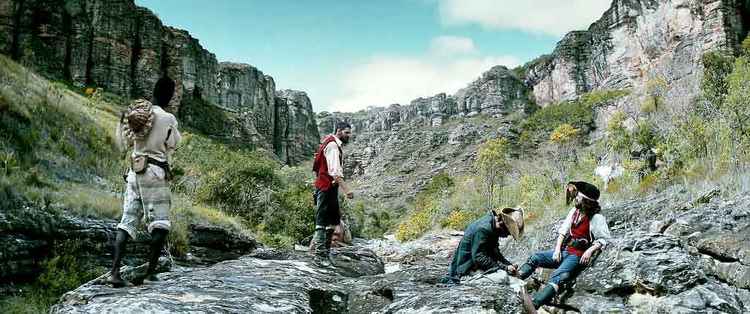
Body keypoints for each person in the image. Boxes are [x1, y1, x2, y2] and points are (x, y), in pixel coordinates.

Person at [108, 76, 181, 287]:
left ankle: (114, 272)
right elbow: (174, 143)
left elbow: (126, 141)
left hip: (134, 171)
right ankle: (150, 273)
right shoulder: (168, 119)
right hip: (155, 174)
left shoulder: (139, 115)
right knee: (161, 224)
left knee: (127, 221)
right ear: (170, 96)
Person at [515, 181, 612, 310]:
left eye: (578, 197)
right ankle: (516, 280)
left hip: (576, 256)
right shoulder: (574, 212)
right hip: (566, 251)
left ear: (586, 201)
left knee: (558, 276)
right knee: (536, 258)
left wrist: (590, 250)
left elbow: (604, 239)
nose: (575, 199)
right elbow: (562, 231)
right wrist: (557, 250)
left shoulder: (596, 218)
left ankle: (533, 304)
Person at [441, 208, 525, 284]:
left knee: (507, 275)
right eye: (508, 232)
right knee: (503, 277)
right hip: (465, 271)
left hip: (475, 267)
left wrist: (509, 265)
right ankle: (465, 281)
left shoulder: (492, 226)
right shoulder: (483, 229)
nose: (507, 236)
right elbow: (479, 257)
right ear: (502, 225)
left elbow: (495, 253)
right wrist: (505, 268)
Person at [311, 122, 354, 266]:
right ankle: (319, 256)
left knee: (333, 221)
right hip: (325, 187)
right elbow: (335, 172)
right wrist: (347, 190)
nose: (349, 136)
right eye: (346, 133)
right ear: (339, 131)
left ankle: (325, 254)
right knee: (322, 220)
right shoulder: (333, 146)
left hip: (328, 187)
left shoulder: (330, 143)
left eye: (350, 133)